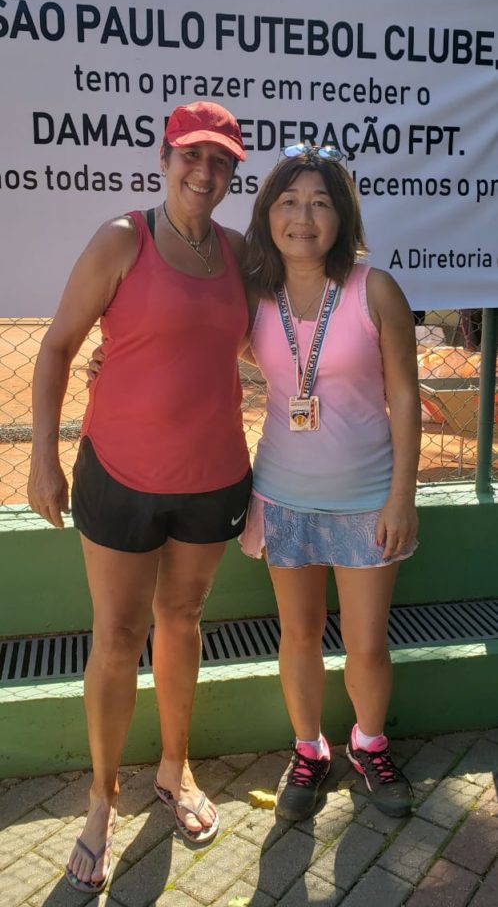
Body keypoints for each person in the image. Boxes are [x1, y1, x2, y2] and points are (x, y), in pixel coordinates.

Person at [27, 101, 252, 893]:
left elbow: (270, 343)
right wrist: (44, 458)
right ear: (164, 158)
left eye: (221, 161)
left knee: (182, 619)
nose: (205, 172)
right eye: (192, 155)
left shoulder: (240, 253)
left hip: (214, 477)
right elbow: (58, 346)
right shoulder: (123, 239)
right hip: (118, 474)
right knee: (118, 636)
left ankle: (174, 768)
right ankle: (101, 799)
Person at [239, 144, 421, 822]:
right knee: (299, 633)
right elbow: (193, 345)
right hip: (282, 497)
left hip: (368, 500)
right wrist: (115, 359)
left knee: (367, 643)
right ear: (268, 215)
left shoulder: (375, 290)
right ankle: (308, 750)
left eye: (320, 202)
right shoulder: (254, 296)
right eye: (288, 202)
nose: (303, 216)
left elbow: (405, 396)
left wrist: (401, 497)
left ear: (342, 216)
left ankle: (369, 744)